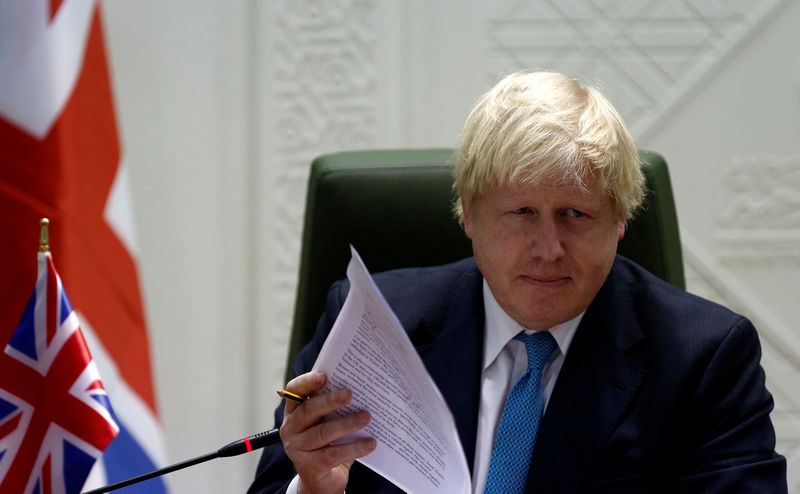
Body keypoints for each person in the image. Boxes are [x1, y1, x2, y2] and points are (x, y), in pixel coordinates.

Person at [249, 71, 787, 493]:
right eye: (522, 212)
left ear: (621, 221)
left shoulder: (705, 358)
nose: (548, 249)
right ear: (469, 216)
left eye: (575, 214)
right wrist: (316, 487)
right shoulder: (370, 325)